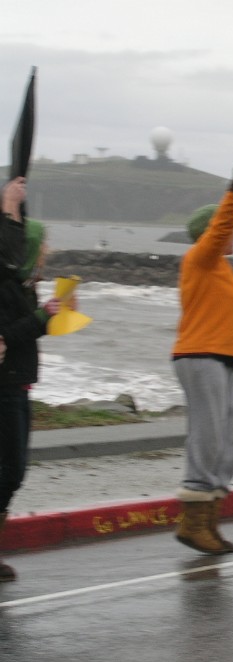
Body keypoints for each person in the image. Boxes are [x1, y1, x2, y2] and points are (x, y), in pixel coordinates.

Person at [172, 161, 233, 555]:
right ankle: (193, 519)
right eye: (229, 227)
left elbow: (216, 309)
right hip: (200, 356)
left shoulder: (218, 268)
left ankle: (209, 517)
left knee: (229, 437)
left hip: (222, 356)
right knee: (208, 436)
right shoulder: (201, 257)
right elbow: (220, 225)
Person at [0, 178, 62, 582]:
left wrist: (52, 313)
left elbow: (24, 331)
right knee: (10, 470)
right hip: (5, 383)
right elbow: (7, 334)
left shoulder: (21, 286)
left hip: (20, 381)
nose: (43, 256)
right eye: (39, 249)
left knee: (13, 469)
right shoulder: (5, 282)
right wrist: (10, 208)